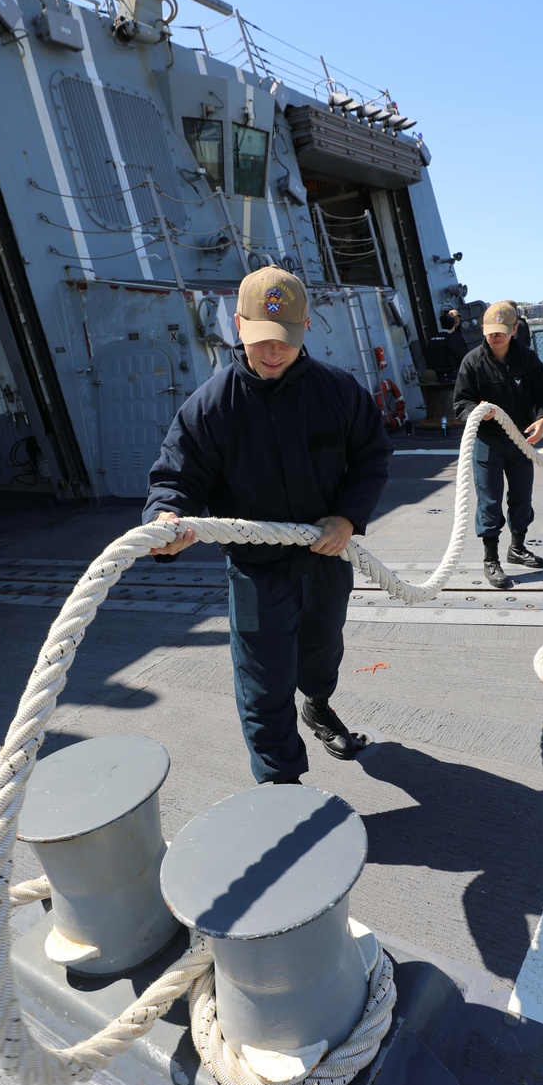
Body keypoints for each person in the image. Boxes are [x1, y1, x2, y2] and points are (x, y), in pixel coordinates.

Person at [143, 267, 392, 785]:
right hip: (256, 568)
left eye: (285, 341)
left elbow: (371, 455)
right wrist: (165, 520)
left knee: (322, 650)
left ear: (304, 327)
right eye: (261, 341)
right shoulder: (210, 407)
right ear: (238, 325)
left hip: (327, 557)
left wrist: (348, 516)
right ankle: (281, 782)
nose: (273, 353)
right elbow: (175, 477)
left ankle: (318, 705)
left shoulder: (339, 393)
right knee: (263, 679)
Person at [453, 301, 543, 589]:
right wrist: (476, 409)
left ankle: (517, 547)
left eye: (501, 332)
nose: (495, 337)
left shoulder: (528, 360)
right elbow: (460, 403)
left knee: (522, 497)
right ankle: (490, 558)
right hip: (487, 441)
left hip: (520, 439)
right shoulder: (472, 362)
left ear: (514, 330)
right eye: (490, 332)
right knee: (489, 499)